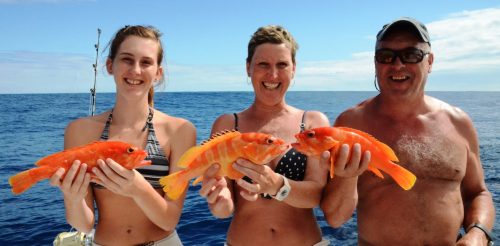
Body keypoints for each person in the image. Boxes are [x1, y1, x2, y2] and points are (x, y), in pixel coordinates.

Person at [320, 17, 496, 245]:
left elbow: (478, 193)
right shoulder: (352, 124)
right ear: (375, 63)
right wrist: (345, 178)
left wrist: (478, 233)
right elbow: (335, 218)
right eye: (386, 56)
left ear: (430, 62)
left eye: (411, 55)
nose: (397, 65)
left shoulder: (459, 123)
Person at [49, 25, 196, 245]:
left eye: (146, 62)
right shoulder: (79, 130)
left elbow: (169, 220)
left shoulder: (180, 130)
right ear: (110, 66)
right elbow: (84, 224)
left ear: (158, 73)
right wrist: (72, 197)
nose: (136, 70)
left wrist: (137, 188)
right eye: (127, 59)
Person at [198, 25, 334, 246]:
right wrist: (219, 202)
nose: (272, 75)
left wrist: (278, 185)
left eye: (282, 65)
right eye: (263, 65)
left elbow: (316, 195)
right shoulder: (228, 124)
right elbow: (225, 209)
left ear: (293, 69)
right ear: (248, 68)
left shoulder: (312, 123)